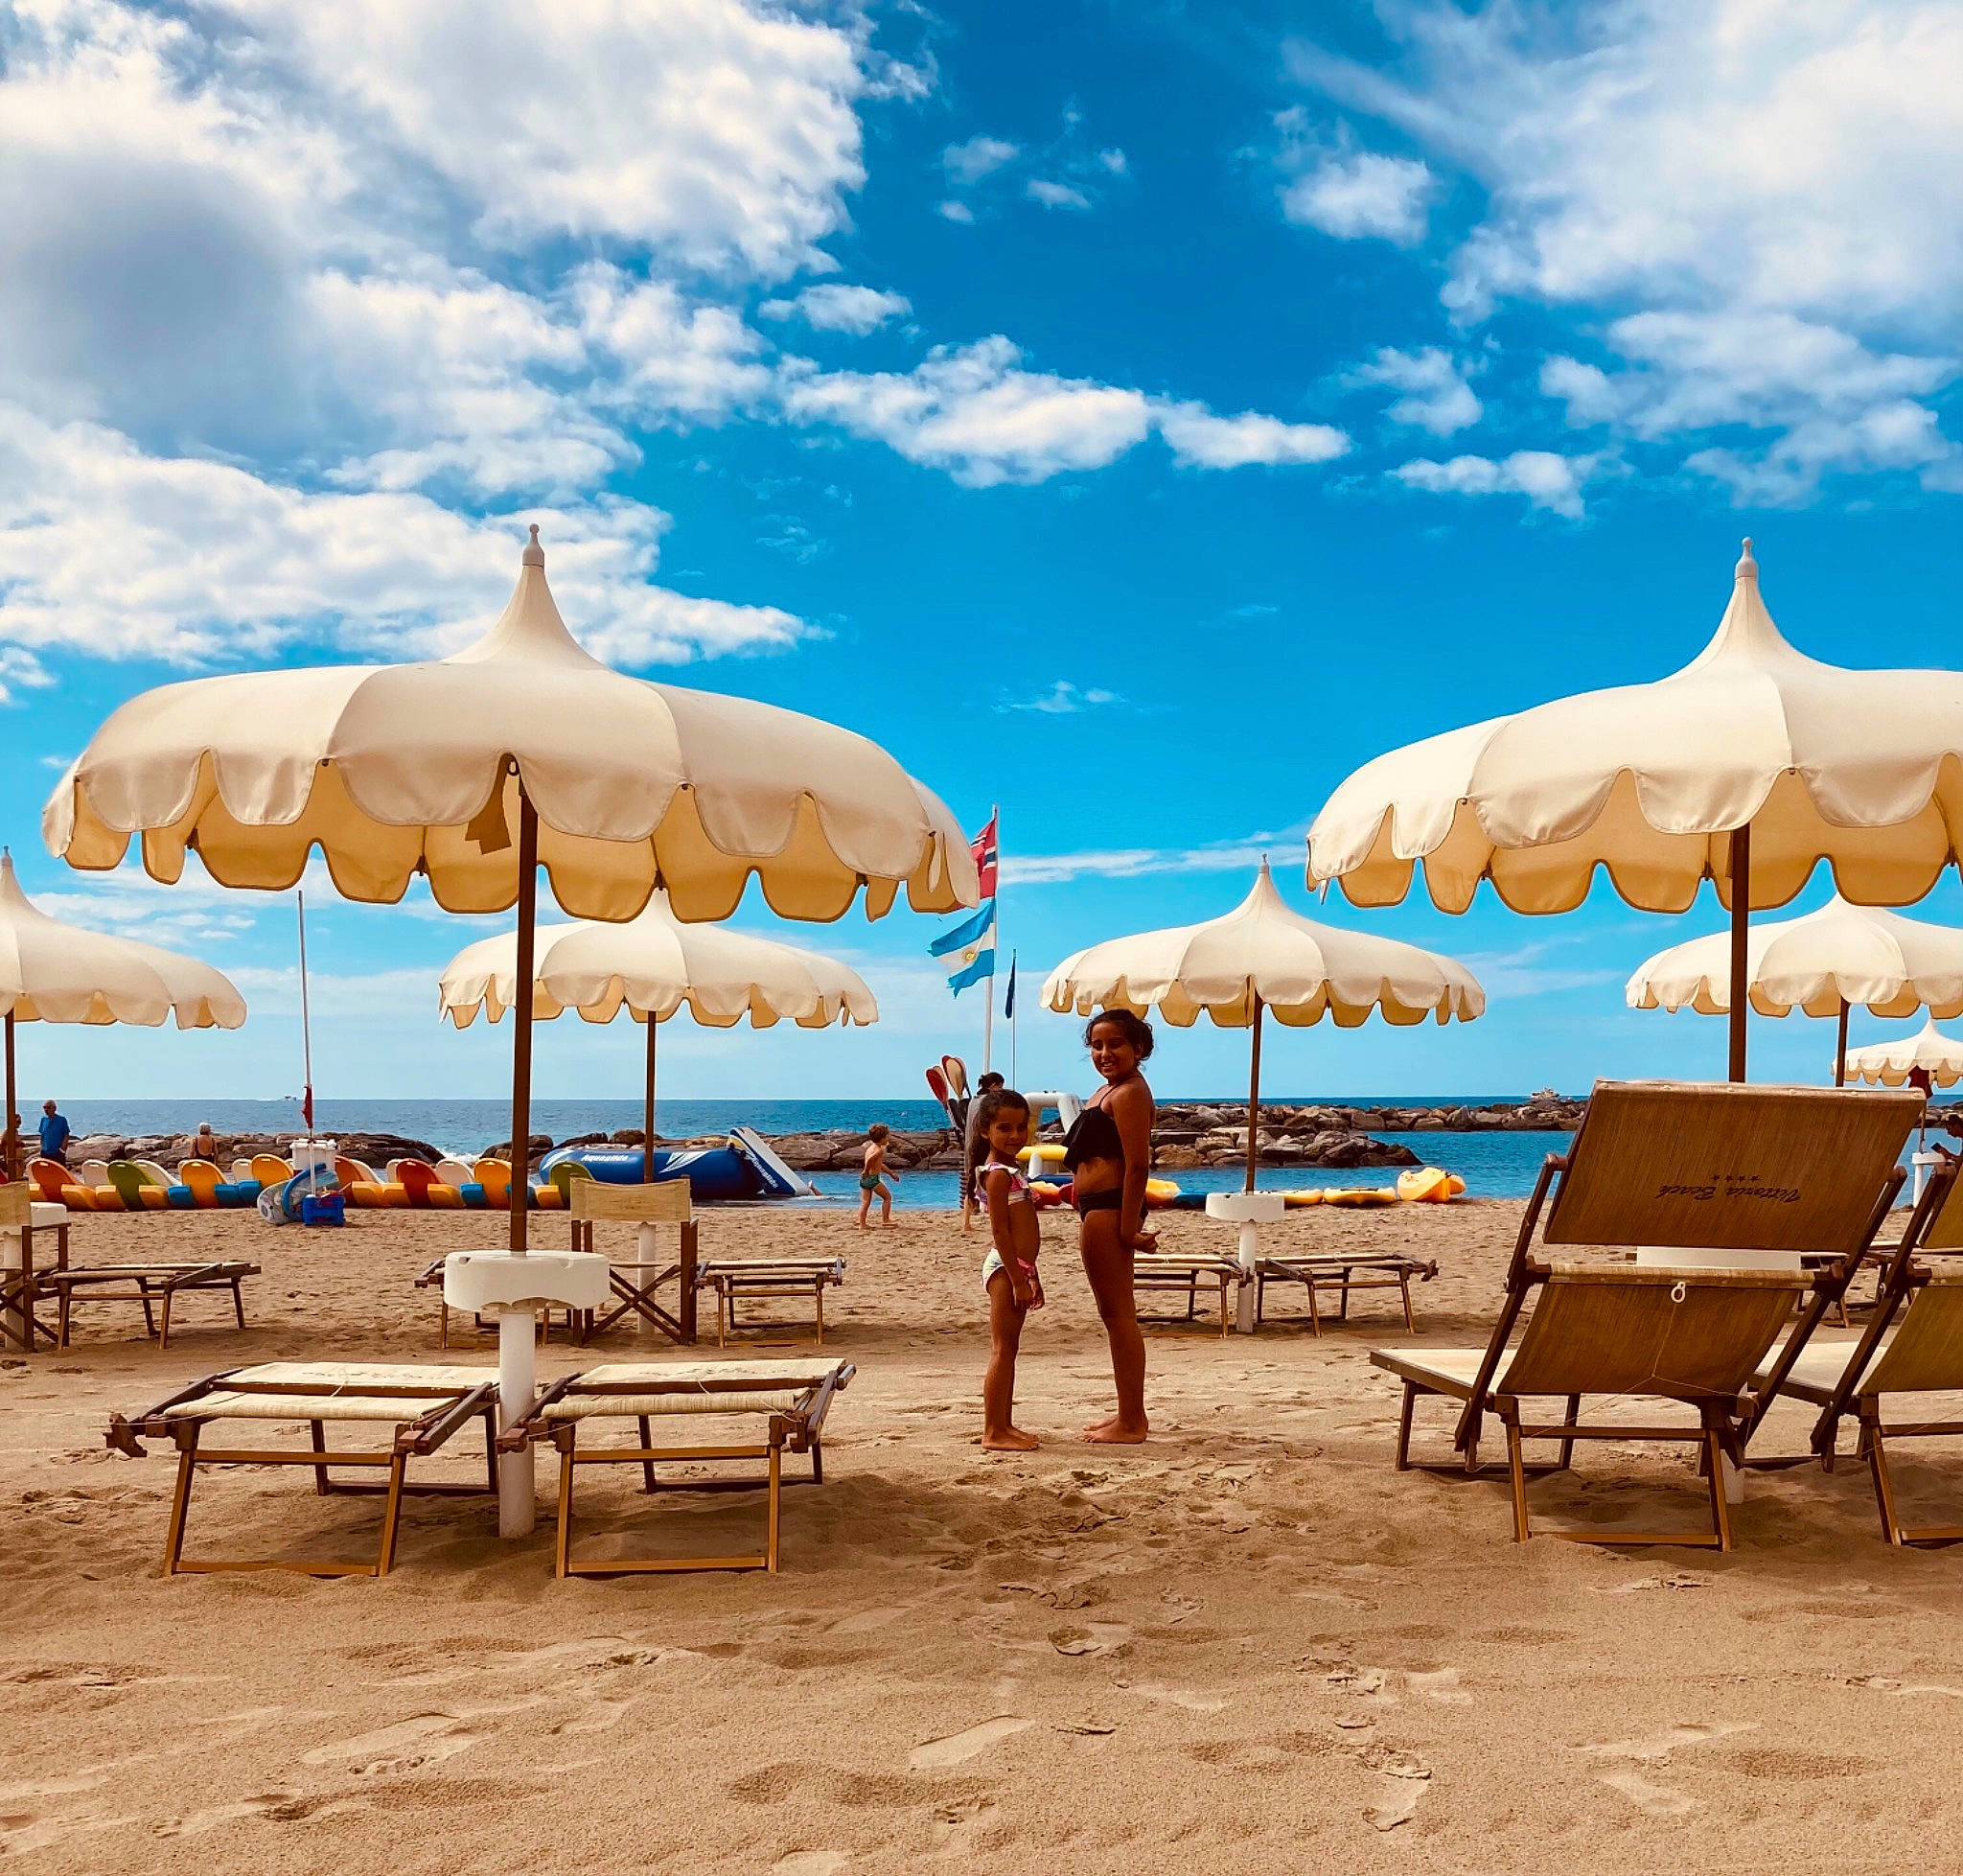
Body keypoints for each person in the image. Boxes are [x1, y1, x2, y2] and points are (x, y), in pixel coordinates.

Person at [1064, 1009, 1157, 1444]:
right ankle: (1127, 1412)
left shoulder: (1131, 1093)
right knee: (1113, 1314)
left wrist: (1126, 1227)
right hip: (1097, 1209)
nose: (1104, 1053)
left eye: (1115, 1044)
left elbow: (1139, 1164)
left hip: (1110, 1211)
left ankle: (1132, 1422)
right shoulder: (1108, 1090)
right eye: (1096, 1045)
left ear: (1138, 1048)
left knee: (1119, 1316)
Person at [973, 1087, 1044, 1449]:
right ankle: (993, 1430)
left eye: (1021, 1128)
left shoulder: (1012, 1171)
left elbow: (1023, 1230)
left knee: (1011, 1349)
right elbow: (1000, 1229)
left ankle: (1005, 1423)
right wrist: (1018, 1279)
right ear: (986, 1130)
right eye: (1005, 1128)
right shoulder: (998, 1174)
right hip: (1005, 1268)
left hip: (1018, 1266)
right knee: (1002, 1349)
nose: (1015, 1136)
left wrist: (1033, 1275)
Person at [960, 1071, 1006, 1235]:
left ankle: (966, 1222)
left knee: (971, 1183)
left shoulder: (974, 1100)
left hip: (970, 1144)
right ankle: (994, 1219)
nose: (1001, 1089)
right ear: (993, 1086)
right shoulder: (988, 1102)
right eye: (1000, 1086)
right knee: (990, 1180)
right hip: (982, 1144)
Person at [857, 1123, 897, 1229]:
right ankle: (886, 1219)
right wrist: (866, 1170)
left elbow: (878, 1164)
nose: (889, 1137)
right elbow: (870, 1160)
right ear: (883, 1138)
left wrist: (890, 1173)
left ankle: (862, 1224)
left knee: (865, 1202)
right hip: (872, 1179)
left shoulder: (871, 1148)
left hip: (865, 1179)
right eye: (887, 1136)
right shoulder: (879, 1150)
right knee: (887, 1197)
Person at [36, 1100, 71, 1167]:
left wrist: (62, 1150)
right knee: (46, 1173)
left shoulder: (61, 1120)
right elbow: (42, 1135)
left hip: (57, 1153)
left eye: (48, 1107)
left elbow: (66, 1135)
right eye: (44, 1107)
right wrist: (42, 1148)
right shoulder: (43, 1119)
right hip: (45, 1153)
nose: (46, 1109)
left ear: (54, 1108)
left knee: (59, 1174)